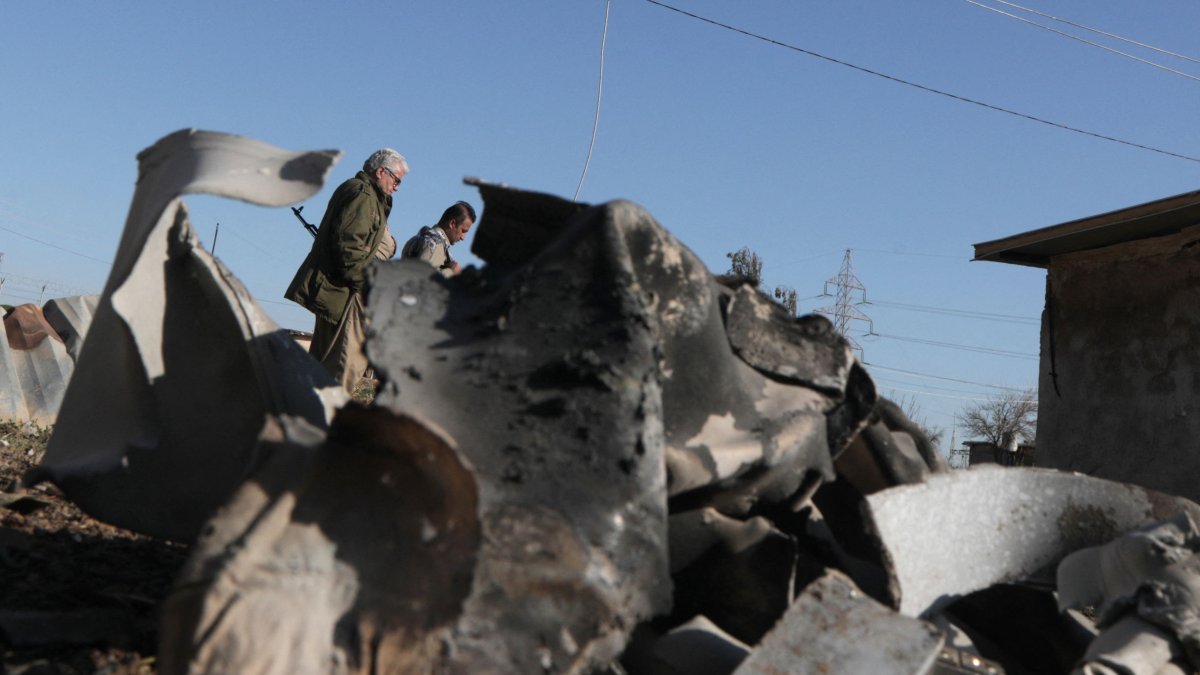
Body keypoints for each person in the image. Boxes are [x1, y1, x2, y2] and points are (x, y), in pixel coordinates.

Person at [285, 148, 408, 392]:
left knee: (319, 372)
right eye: (396, 180)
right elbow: (349, 251)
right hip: (343, 292)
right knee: (338, 375)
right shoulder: (363, 195)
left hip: (338, 291)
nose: (397, 187)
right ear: (381, 172)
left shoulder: (364, 194)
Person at [401, 200, 476, 276]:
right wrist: (451, 272)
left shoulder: (418, 238)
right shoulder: (436, 245)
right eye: (463, 231)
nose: (463, 237)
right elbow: (422, 280)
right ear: (452, 224)